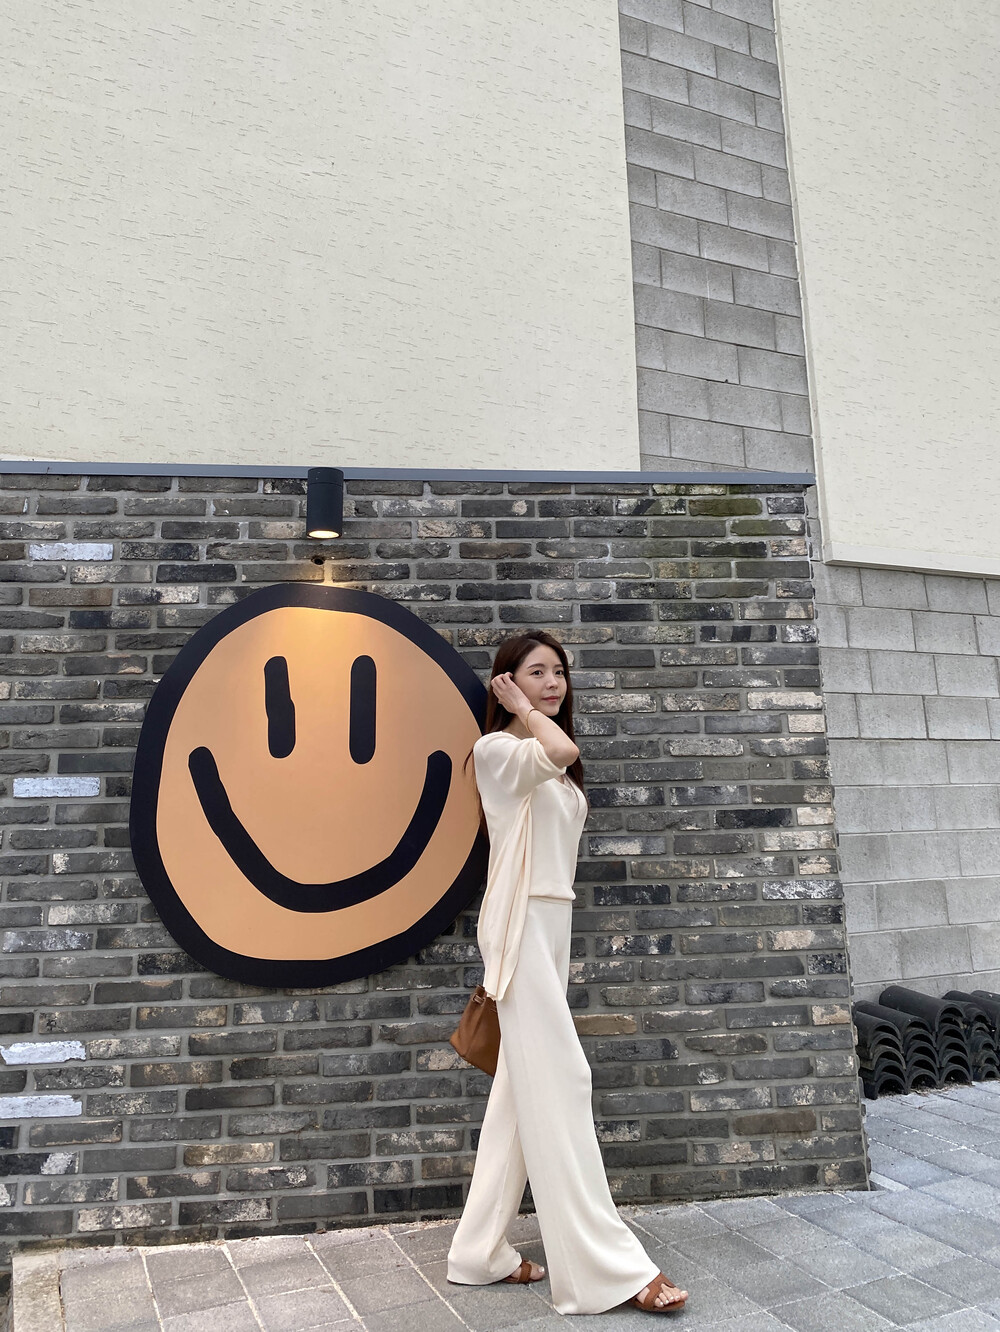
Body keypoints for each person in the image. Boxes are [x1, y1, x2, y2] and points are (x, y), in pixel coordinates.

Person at [447, 631, 689, 1316]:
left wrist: (530, 710)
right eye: (536, 673)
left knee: (519, 1099)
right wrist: (523, 711)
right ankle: (607, 1270)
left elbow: (560, 760)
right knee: (564, 1082)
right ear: (506, 683)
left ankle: (477, 1254)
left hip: (551, 927)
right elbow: (560, 750)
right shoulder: (499, 752)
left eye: (558, 672)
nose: (553, 682)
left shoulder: (539, 760)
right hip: (521, 926)